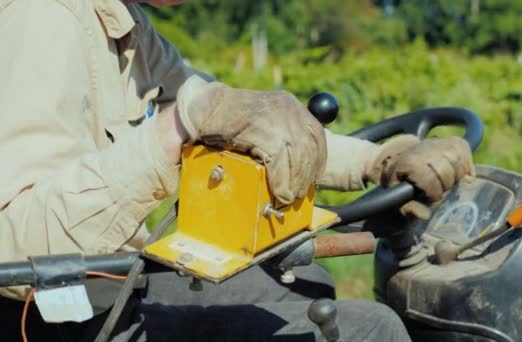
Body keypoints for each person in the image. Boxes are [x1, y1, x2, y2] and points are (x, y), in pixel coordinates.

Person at [0, 0, 474, 341]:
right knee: (374, 329)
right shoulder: (44, 18)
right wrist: (177, 128)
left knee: (308, 282)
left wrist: (377, 161)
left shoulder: (129, 30)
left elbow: (238, 123)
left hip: (112, 286)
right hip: (57, 321)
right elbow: (21, 255)